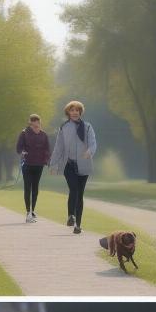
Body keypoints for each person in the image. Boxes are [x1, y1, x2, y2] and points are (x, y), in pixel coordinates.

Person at [49, 100, 97, 234]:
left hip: (84, 165)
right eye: (72, 110)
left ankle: (78, 225)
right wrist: (53, 164)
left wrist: (89, 151)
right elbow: (58, 148)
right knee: (74, 189)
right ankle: (71, 215)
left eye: (77, 110)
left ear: (80, 112)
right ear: (68, 112)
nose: (75, 112)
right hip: (68, 164)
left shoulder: (87, 127)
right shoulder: (64, 127)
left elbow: (93, 143)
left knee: (80, 194)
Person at [16, 114, 50, 223]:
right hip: (27, 164)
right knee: (27, 187)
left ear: (40, 123)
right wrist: (22, 152)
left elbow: (47, 149)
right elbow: (18, 148)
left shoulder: (44, 135)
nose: (36, 127)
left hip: (39, 165)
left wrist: (46, 160)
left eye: (37, 124)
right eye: (33, 125)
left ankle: (32, 210)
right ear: (30, 123)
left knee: (35, 188)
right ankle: (28, 212)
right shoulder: (24, 133)